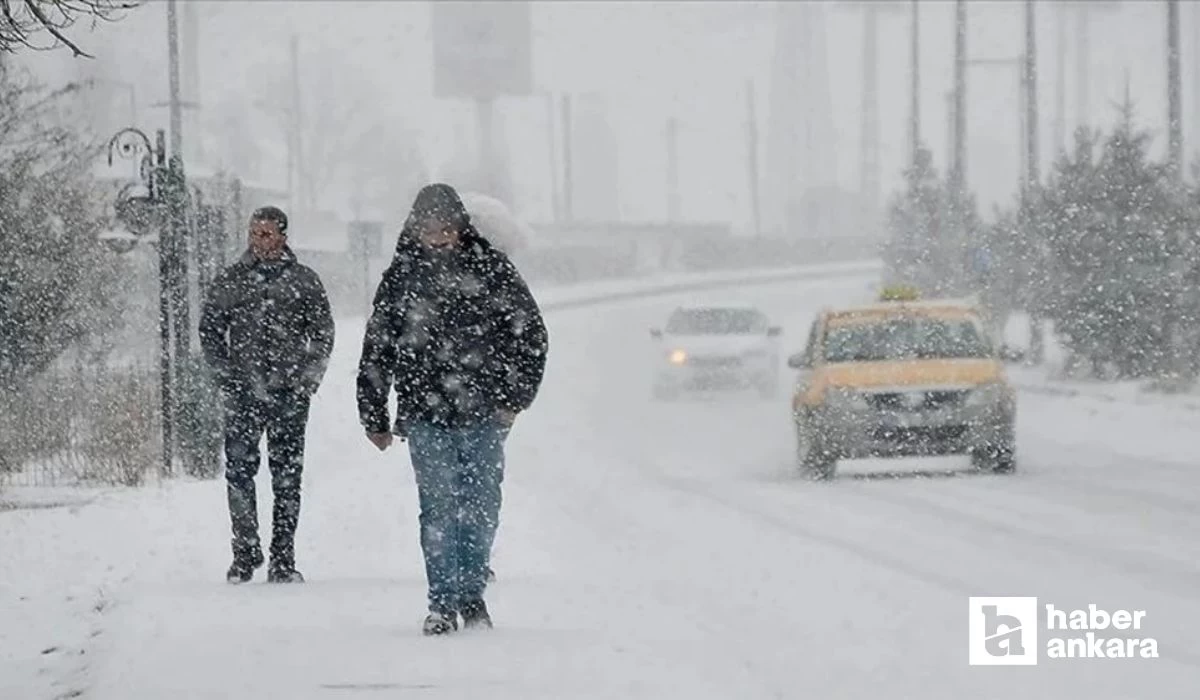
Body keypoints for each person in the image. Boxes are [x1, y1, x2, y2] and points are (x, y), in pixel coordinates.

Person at [356, 183, 548, 635]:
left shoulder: (492, 271)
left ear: (460, 226)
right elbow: (378, 346)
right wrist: (373, 413)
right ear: (416, 228)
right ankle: (442, 602)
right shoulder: (402, 277)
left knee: (481, 506)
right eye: (430, 227)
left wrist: (513, 399)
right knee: (439, 507)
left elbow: (530, 337)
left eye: (446, 227)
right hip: (426, 414)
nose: (439, 236)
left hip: (483, 413)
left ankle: (472, 594)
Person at [199, 206, 335, 584]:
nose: (259, 241)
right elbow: (210, 330)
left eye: (267, 234)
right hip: (242, 393)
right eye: (254, 233)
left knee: (287, 477)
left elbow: (322, 334)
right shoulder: (231, 280)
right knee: (239, 472)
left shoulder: (304, 282)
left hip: (288, 394)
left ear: (283, 236)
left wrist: (306, 382)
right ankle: (245, 551)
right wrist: (226, 377)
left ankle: (283, 558)